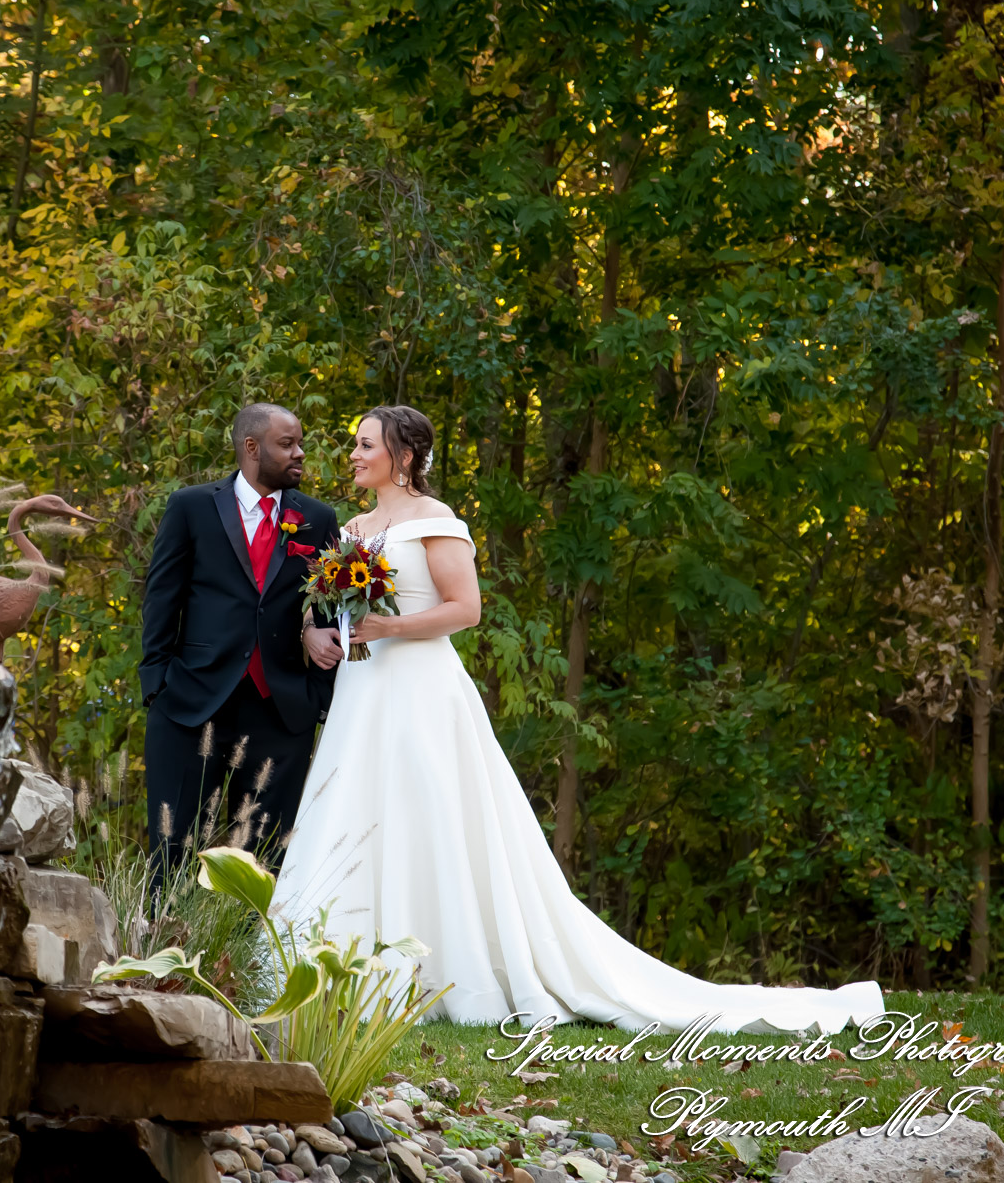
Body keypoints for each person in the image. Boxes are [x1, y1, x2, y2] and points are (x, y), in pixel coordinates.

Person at [272, 404, 885, 1034]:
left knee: (431, 816)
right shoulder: (353, 527)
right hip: (364, 686)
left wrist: (390, 626)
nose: (353, 454)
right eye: (355, 444)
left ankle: (441, 967)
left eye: (365, 444)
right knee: (359, 810)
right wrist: (329, 632)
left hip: (422, 690)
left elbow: (467, 609)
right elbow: (339, 610)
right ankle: (345, 967)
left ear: (402, 456)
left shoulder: (437, 522)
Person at [141, 403, 344, 885]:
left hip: (281, 712)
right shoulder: (190, 507)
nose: (299, 454)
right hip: (190, 705)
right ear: (251, 448)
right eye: (287, 444)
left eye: (299, 443)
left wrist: (318, 695)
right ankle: (162, 954)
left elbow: (333, 611)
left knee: (266, 861)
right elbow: (161, 599)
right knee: (172, 853)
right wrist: (157, 686)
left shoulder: (316, 518)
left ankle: (249, 960)